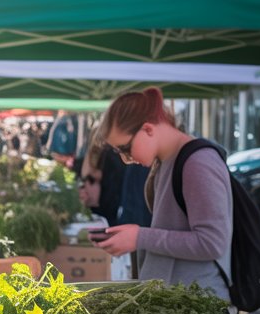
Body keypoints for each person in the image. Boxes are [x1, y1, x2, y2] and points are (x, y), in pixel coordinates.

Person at [95, 87, 233, 301]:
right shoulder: (168, 161)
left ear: (148, 129)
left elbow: (212, 243)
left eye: (125, 148)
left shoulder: (198, 163)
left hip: (199, 310)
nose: (124, 159)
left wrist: (140, 237)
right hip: (178, 304)